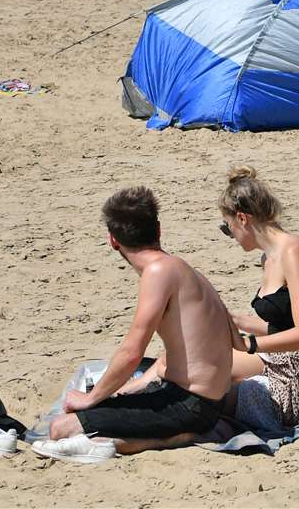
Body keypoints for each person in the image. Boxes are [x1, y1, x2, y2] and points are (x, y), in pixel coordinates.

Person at [35, 187, 235, 461]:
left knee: (61, 427)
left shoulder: (158, 271)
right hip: (199, 400)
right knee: (97, 408)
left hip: (191, 405)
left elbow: (132, 353)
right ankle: (177, 433)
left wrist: (91, 400)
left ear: (113, 240)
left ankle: (182, 437)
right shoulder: (179, 267)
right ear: (159, 229)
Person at [215, 168, 299, 429]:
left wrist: (248, 344)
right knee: (199, 365)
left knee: (205, 384)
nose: (231, 237)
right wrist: (232, 320)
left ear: (242, 218)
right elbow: (284, 327)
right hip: (285, 360)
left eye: (228, 228)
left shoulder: (294, 252)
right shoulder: (269, 257)